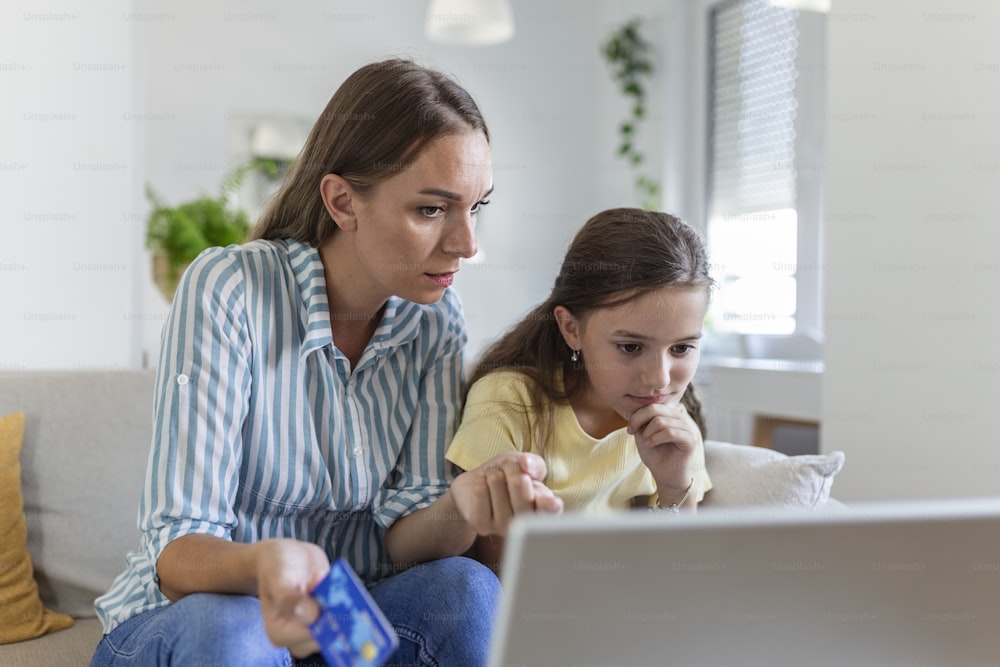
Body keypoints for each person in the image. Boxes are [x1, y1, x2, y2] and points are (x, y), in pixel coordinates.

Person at [91, 58, 560, 667]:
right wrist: (262, 563)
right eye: (431, 210)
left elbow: (405, 537)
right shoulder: (230, 288)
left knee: (466, 591)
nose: (466, 244)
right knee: (240, 632)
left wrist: (462, 504)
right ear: (342, 202)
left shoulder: (435, 319)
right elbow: (175, 551)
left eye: (477, 208)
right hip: (200, 616)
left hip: (338, 617)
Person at [445, 207, 716, 571]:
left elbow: (676, 577)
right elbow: (497, 581)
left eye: (681, 348)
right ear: (571, 328)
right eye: (630, 347)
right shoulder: (509, 402)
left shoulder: (677, 431)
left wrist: (674, 485)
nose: (660, 380)